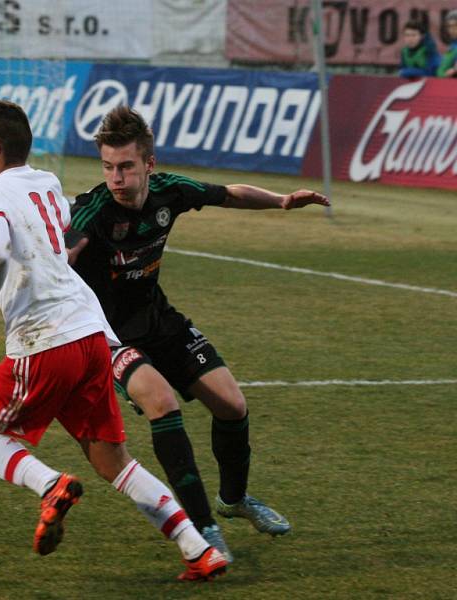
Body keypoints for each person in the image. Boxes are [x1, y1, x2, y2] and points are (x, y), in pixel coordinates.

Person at [0, 100, 228, 582]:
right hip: (90, 335)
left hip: (44, 341)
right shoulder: (47, 182)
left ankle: (50, 485)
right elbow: (58, 236)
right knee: (111, 458)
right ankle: (198, 548)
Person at [66, 106, 330, 562]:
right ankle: (202, 526)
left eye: (126, 166)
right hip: (109, 336)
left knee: (232, 404)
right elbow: (60, 254)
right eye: (108, 167)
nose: (116, 178)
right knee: (162, 404)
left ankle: (234, 501)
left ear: (149, 164)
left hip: (160, 320)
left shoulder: (171, 191)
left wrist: (283, 201)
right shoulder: (92, 212)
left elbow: (230, 193)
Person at [437, 10, 457, 78]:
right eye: (449, 26)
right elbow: (440, 72)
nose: (452, 29)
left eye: (455, 25)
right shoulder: (452, 48)